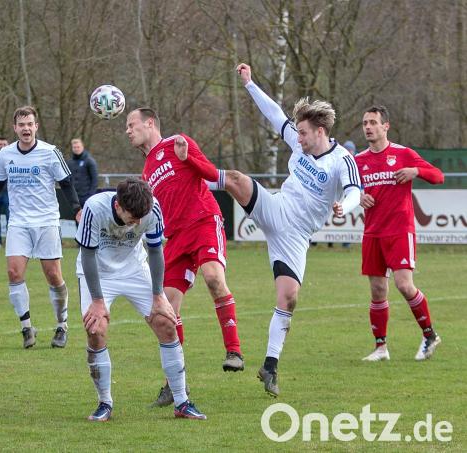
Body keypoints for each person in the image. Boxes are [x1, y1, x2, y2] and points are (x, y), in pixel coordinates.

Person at [214, 64, 362, 397]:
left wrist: (346, 207)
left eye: (304, 133)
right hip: (277, 209)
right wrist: (250, 84)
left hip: (296, 237)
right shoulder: (299, 142)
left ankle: (269, 365)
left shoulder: (342, 160)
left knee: (289, 298)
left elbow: (355, 191)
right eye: (297, 133)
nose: (298, 138)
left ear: (320, 131)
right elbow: (274, 114)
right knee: (236, 178)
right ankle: (194, 176)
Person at [125, 108, 244, 408]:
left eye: (131, 124)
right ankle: (174, 384)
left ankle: (234, 351)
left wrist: (186, 156)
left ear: (150, 123)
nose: (127, 130)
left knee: (214, 278)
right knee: (165, 311)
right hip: (175, 238)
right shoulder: (147, 169)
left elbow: (209, 173)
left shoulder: (178, 142)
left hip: (203, 221)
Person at [77, 178, 206, 421]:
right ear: (118, 207)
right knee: (96, 330)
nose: (136, 222)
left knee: (167, 323)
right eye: (132, 217)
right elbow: (87, 255)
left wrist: (158, 295)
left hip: (135, 270)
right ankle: (104, 403)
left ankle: (181, 401)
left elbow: (156, 251)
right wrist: (97, 300)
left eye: (140, 217)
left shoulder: (152, 208)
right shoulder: (94, 208)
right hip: (98, 273)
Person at [0, 106, 82, 349]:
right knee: (14, 273)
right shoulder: (5, 155)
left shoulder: (50, 152)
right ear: (15, 128)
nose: (26, 128)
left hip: (46, 221)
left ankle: (62, 325)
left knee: (53, 275)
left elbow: (66, 183)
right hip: (18, 222)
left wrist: (77, 208)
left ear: (36, 127)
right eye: (21, 125)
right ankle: (27, 328)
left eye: (30, 124)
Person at [357, 105, 444, 362]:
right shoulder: (358, 160)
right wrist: (358, 197)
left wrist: (416, 171)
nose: (368, 127)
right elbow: (345, 191)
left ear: (386, 126)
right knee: (377, 290)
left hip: (399, 230)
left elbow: (438, 176)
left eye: (373, 122)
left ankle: (430, 335)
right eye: (365, 123)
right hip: (372, 232)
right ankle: (381, 348)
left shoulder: (403, 154)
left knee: (404, 285)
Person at [66, 138, 99, 207]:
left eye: (78, 147)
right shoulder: (69, 162)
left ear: (82, 147)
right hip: (74, 197)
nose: (76, 149)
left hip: (86, 197)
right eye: (74, 147)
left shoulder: (89, 161)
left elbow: (95, 180)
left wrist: (90, 195)